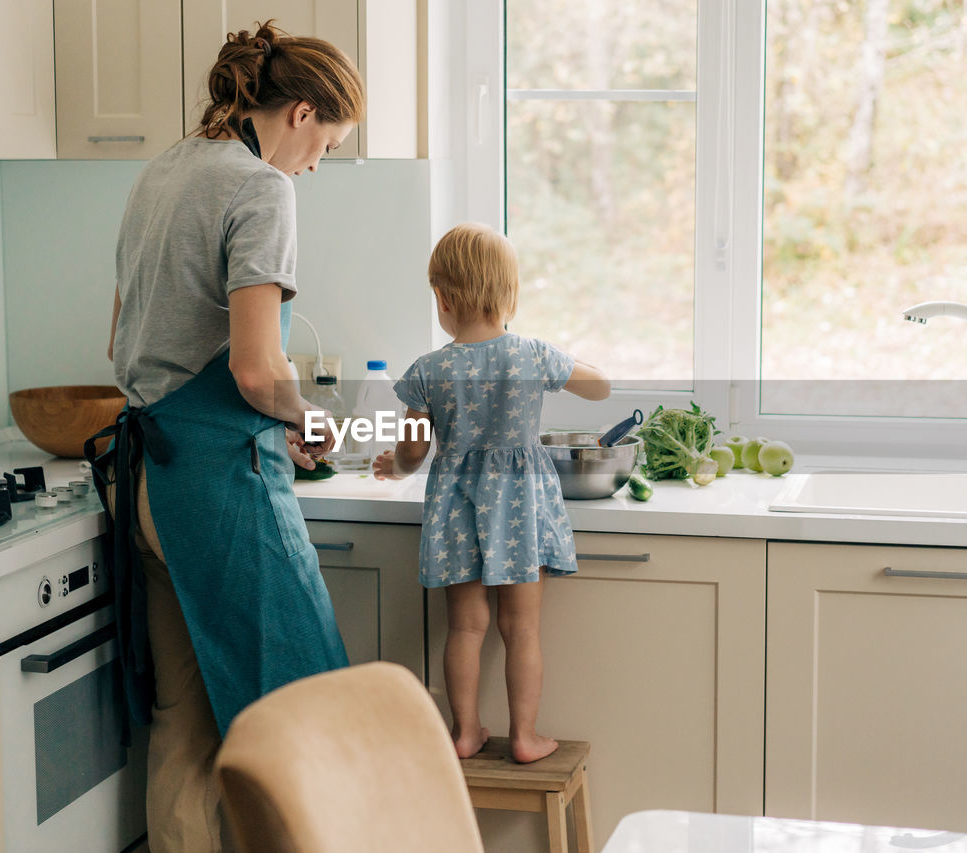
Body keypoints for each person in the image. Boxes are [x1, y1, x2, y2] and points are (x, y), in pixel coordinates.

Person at [92, 21, 364, 852]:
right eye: (328, 144)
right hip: (215, 487)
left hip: (146, 482)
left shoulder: (166, 168)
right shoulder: (260, 187)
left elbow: (122, 339)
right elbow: (254, 369)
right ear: (302, 113)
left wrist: (275, 416)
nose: (317, 166)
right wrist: (308, 417)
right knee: (296, 708)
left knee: (187, 719)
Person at [372, 223, 611, 762]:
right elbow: (601, 387)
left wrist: (397, 465)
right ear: (509, 296)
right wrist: (563, 359)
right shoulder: (531, 355)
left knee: (465, 626)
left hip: (457, 508)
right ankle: (525, 737)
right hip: (520, 507)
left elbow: (414, 451)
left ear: (443, 298)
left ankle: (464, 732)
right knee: (521, 628)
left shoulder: (429, 371)